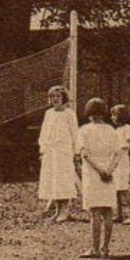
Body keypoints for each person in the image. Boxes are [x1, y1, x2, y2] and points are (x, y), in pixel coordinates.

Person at [75, 97, 122, 259]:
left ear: (88, 113)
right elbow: (118, 154)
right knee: (108, 211)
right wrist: (108, 170)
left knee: (94, 212)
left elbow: (85, 155)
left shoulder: (84, 130)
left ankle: (95, 248)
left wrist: (99, 170)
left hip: (93, 174)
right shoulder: (112, 130)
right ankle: (105, 248)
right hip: (109, 174)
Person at [37, 85, 79, 222]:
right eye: (53, 96)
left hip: (64, 152)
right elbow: (44, 133)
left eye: (58, 96)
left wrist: (76, 152)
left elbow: (75, 134)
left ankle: (65, 211)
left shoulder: (69, 114)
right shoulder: (48, 113)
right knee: (53, 180)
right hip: (51, 152)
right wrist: (43, 149)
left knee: (64, 180)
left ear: (63, 98)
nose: (55, 99)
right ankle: (57, 211)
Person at [112, 103, 130, 224]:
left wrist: (120, 148)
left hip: (123, 161)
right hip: (115, 161)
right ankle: (119, 215)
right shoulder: (116, 130)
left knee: (123, 188)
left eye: (114, 115)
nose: (112, 117)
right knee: (116, 189)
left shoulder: (128, 128)